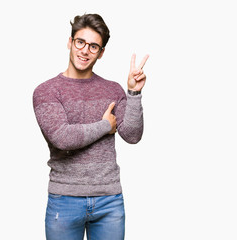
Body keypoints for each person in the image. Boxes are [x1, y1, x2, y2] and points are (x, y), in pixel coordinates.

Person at [33, 13, 149, 240]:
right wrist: (106, 125)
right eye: (80, 42)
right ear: (70, 42)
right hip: (65, 200)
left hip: (109, 200)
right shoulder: (46, 91)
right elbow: (63, 138)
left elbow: (132, 135)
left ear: (101, 52)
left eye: (94, 46)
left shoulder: (113, 89)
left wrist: (133, 92)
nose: (85, 50)